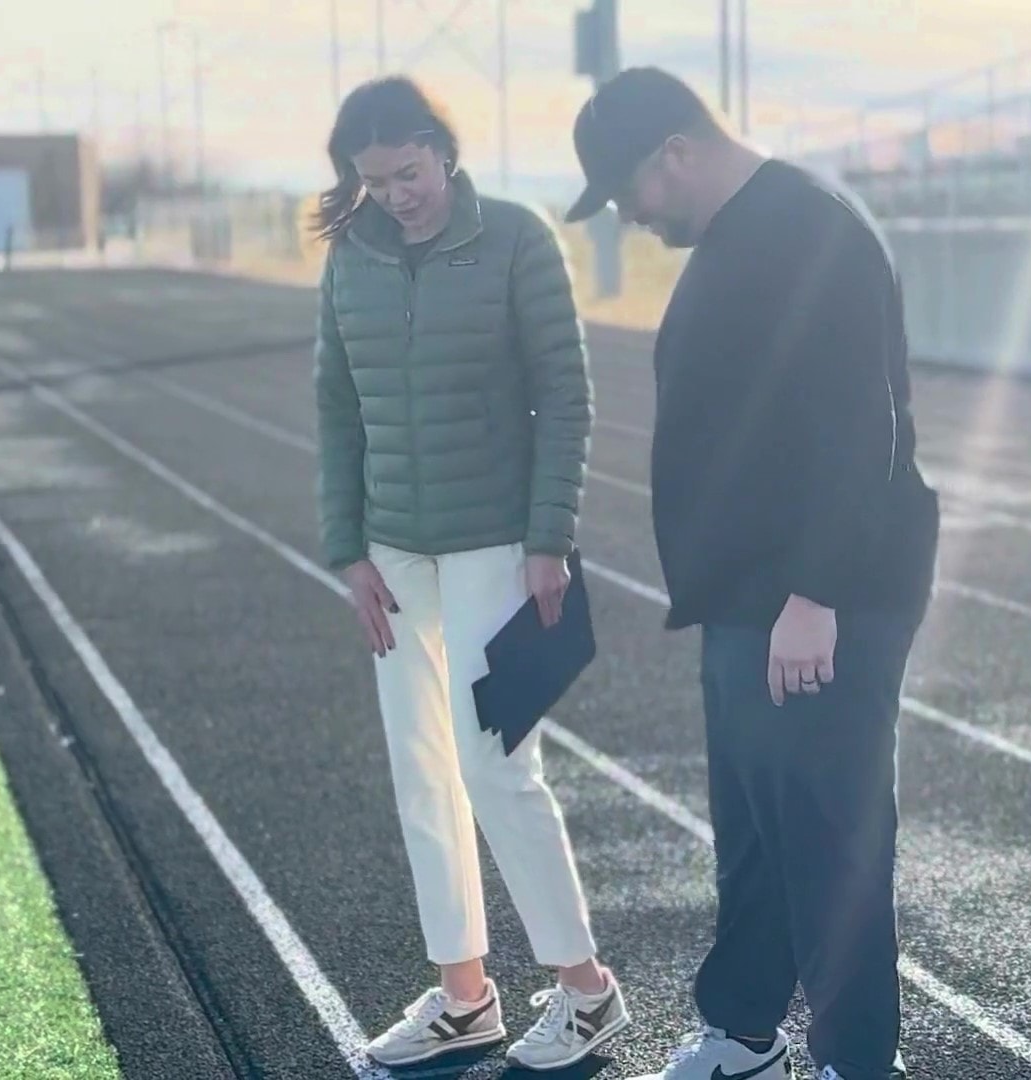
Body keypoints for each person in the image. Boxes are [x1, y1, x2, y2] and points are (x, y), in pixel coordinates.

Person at [563, 68, 941, 1080]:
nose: (628, 217)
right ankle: (743, 1030)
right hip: (750, 596)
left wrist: (814, 596)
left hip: (818, 599)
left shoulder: (808, 229)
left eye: (626, 192)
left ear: (674, 156)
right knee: (756, 829)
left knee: (831, 836)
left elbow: (859, 428)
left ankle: (858, 1061)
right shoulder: (743, 232)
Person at [310, 75, 630, 1071]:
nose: (397, 195)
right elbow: (335, 407)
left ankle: (587, 993)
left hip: (498, 540)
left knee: (499, 768)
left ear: (442, 151)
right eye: (375, 180)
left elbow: (566, 396)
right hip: (396, 553)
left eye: (408, 172)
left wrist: (549, 538)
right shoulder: (350, 257)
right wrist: (347, 548)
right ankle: (465, 999)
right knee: (422, 777)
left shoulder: (518, 240)